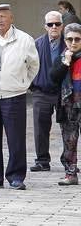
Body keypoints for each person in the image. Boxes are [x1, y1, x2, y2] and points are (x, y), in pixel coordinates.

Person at [0, 4, 39, 190]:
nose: (0, 20)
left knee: (16, 138)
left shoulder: (25, 39)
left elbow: (34, 65)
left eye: (3, 16)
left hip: (14, 95)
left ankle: (16, 177)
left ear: (11, 18)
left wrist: (22, 82)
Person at [30, 11, 66, 172]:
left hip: (64, 92)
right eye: (50, 24)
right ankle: (42, 160)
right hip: (41, 92)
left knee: (68, 127)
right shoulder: (37, 44)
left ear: (62, 26)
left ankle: (68, 161)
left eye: (57, 24)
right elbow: (27, 66)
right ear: (45, 26)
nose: (54, 27)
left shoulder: (69, 43)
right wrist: (33, 85)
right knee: (40, 128)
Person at [49, 23, 81, 185]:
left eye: (77, 39)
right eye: (70, 39)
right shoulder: (61, 58)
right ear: (65, 40)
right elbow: (53, 78)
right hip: (68, 106)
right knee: (69, 141)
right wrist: (65, 63)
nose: (73, 43)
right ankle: (71, 174)